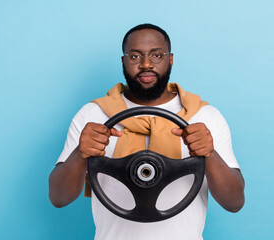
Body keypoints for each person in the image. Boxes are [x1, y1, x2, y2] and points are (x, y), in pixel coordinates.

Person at [49, 23, 245, 240]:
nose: (146, 64)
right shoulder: (93, 115)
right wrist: (80, 153)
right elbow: (59, 198)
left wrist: (210, 154)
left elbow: (234, 202)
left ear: (170, 59)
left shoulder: (204, 117)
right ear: (123, 61)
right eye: (135, 56)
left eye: (156, 55)